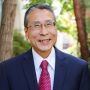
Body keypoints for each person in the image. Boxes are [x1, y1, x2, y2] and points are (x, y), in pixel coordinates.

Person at [0, 3, 90, 90]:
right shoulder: (8, 70)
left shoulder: (79, 68)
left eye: (48, 24)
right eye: (37, 25)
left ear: (56, 28)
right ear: (26, 32)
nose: (44, 32)